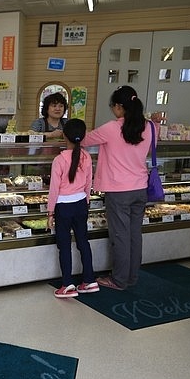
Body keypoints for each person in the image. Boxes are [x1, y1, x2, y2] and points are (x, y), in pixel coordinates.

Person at [82, 85, 156, 290]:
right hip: (140, 188)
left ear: (119, 107)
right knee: (134, 234)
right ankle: (131, 277)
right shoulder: (149, 127)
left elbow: (84, 140)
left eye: (113, 106)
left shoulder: (112, 128)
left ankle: (119, 280)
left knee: (120, 236)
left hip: (118, 190)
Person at [47, 118, 97, 298]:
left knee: (65, 245)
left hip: (63, 206)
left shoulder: (59, 160)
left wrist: (50, 211)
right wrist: (86, 200)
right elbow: (88, 183)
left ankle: (67, 284)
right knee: (83, 242)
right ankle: (90, 280)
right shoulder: (87, 156)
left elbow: (54, 188)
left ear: (64, 136)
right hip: (81, 204)